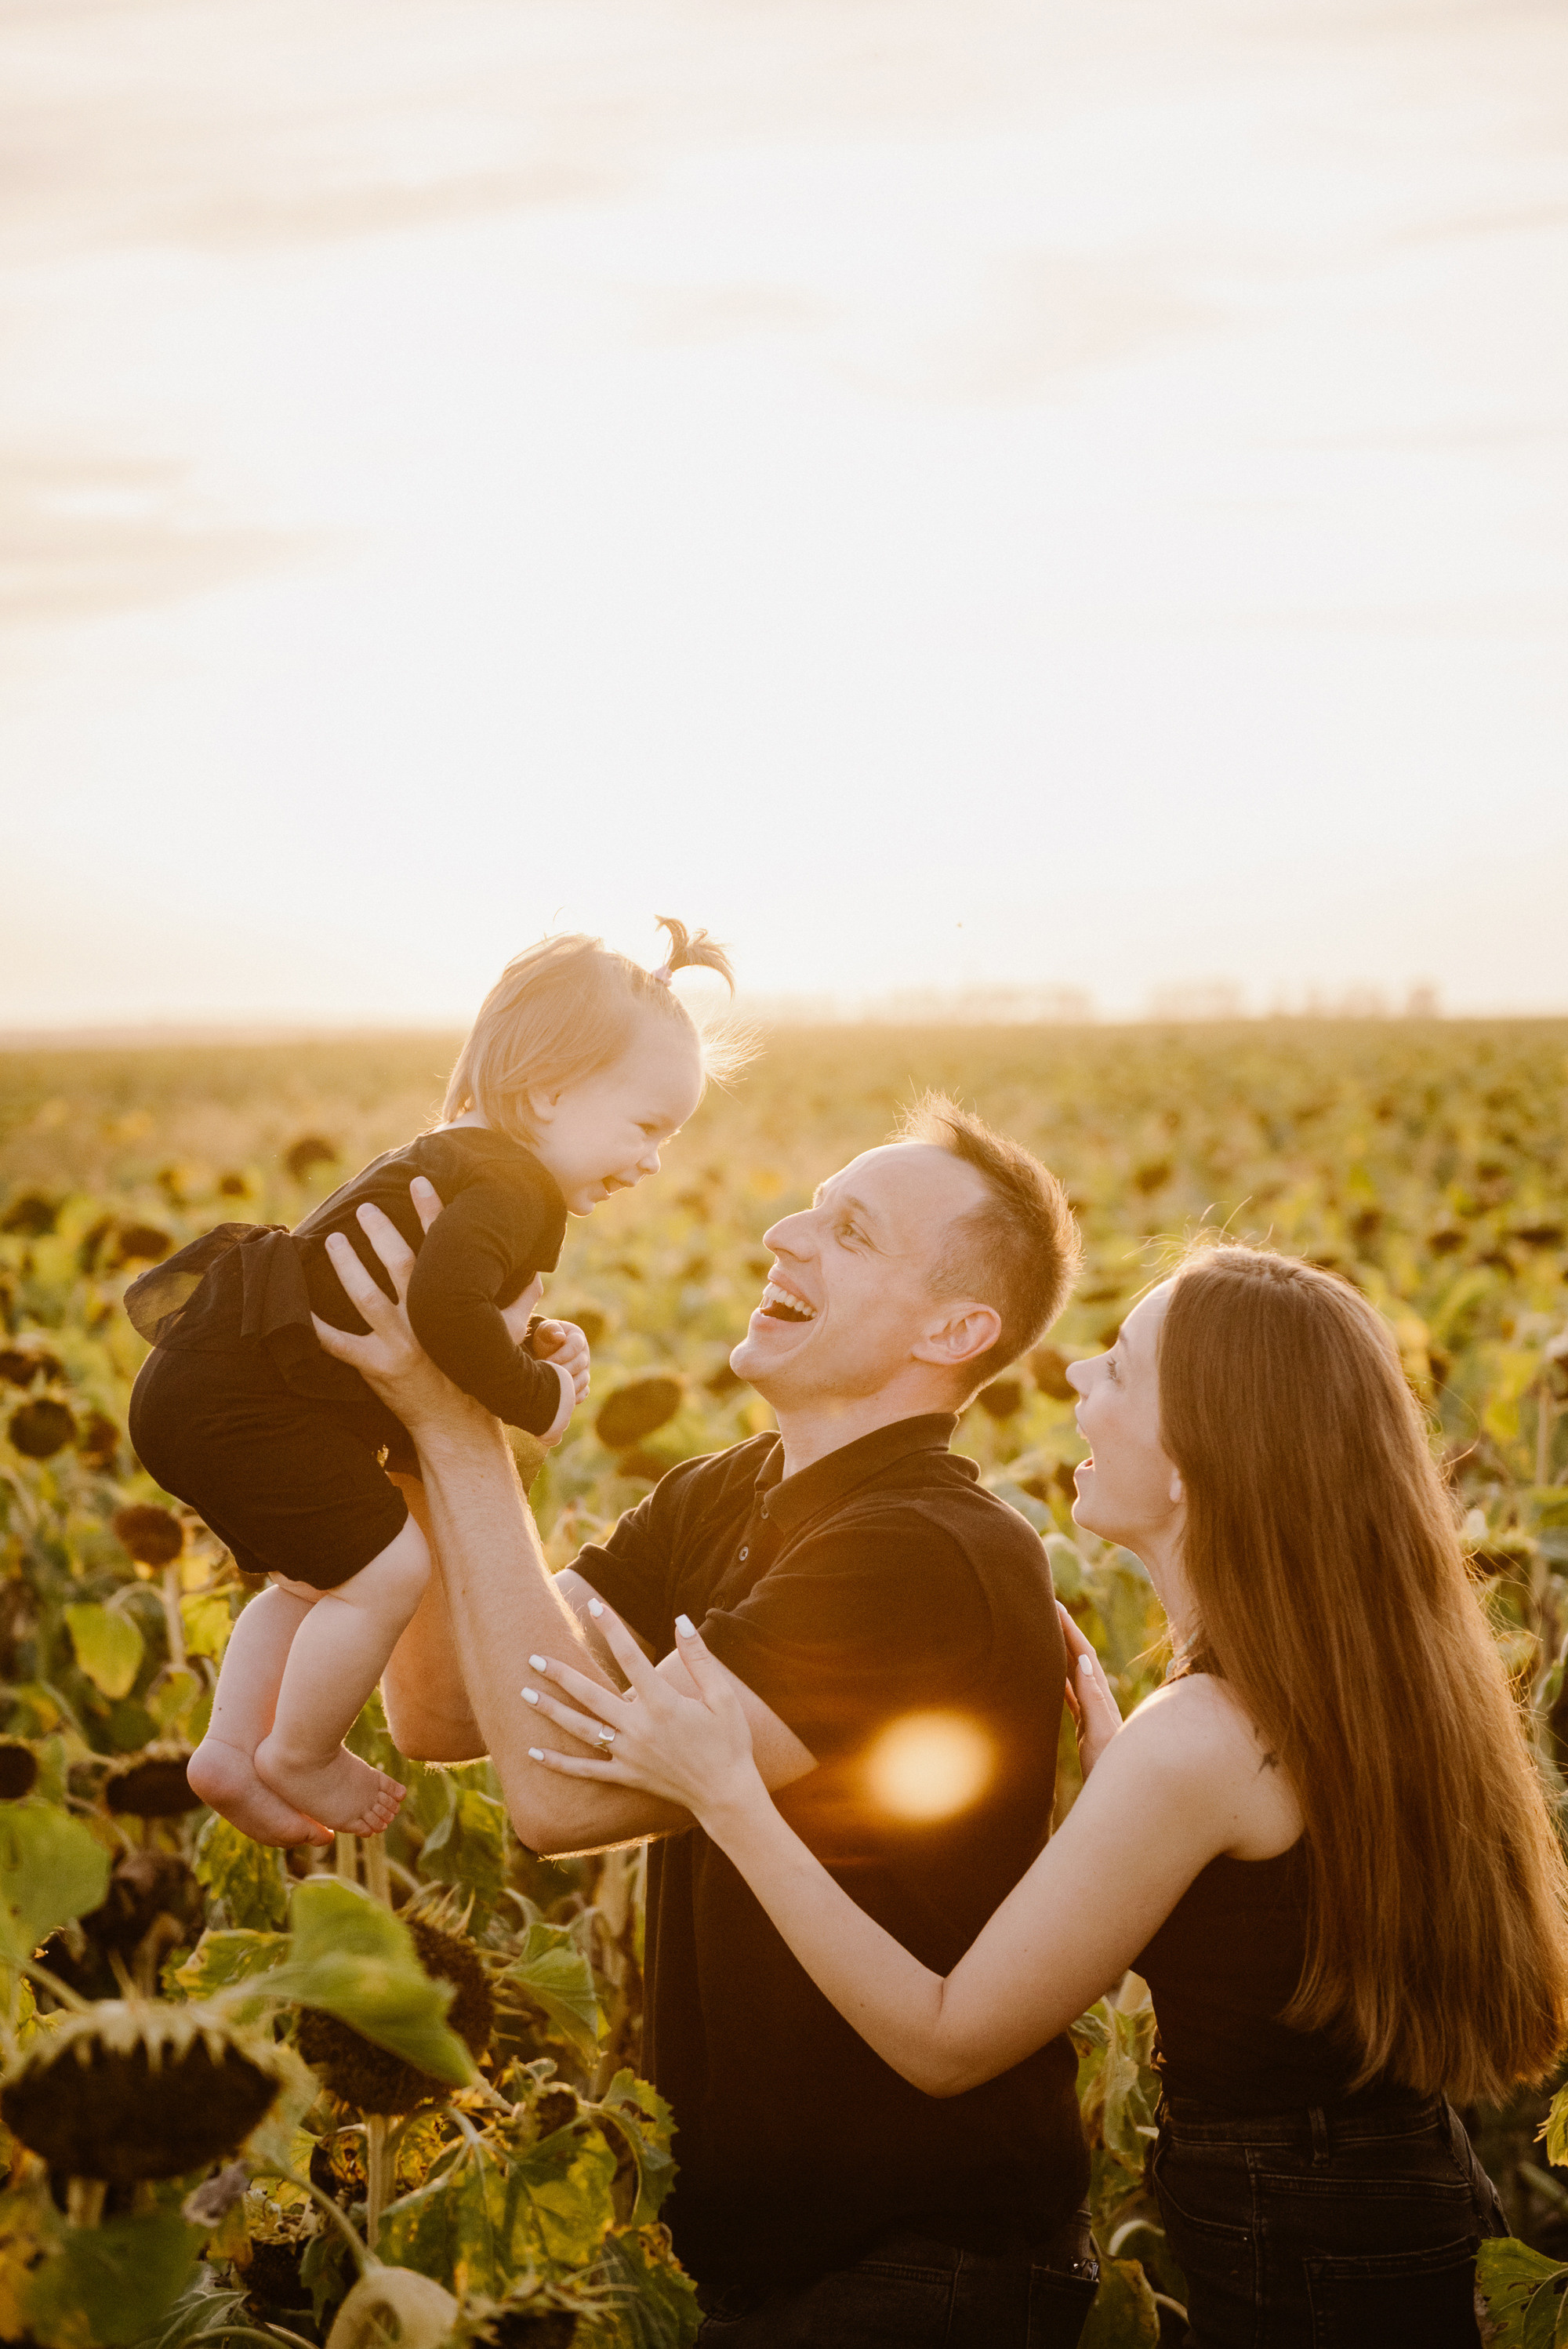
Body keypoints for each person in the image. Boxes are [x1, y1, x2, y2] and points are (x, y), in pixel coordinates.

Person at [522, 1243, 1568, 2349]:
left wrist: (734, 1800)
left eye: (1118, 1366)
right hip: (1390, 2204)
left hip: (1308, 2270)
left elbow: (943, 2041)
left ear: (1192, 1460)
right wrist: (1134, 1794)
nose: (1073, 1375)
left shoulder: (1204, 1739)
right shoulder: (1326, 1688)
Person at [313, 1098, 1100, 2345]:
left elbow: (562, 1797)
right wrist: (410, 1429)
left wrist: (460, 1426)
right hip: (757, 2256)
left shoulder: (924, 1550)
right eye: (812, 1207)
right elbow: (446, 1708)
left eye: (850, 1231)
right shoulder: (725, 1491)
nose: (785, 1234)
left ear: (954, 1331)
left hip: (912, 2266)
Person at [126, 919, 731, 1844]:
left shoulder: (451, 1160)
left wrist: (518, 1341)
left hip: (204, 1387)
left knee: (313, 1583)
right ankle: (301, 1754)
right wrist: (537, 1395)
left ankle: (227, 1750)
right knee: (390, 1573)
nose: (653, 1159)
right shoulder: (515, 1187)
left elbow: (443, 1310)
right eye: (646, 1127)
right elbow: (444, 1314)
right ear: (548, 1091)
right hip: (245, 1404)